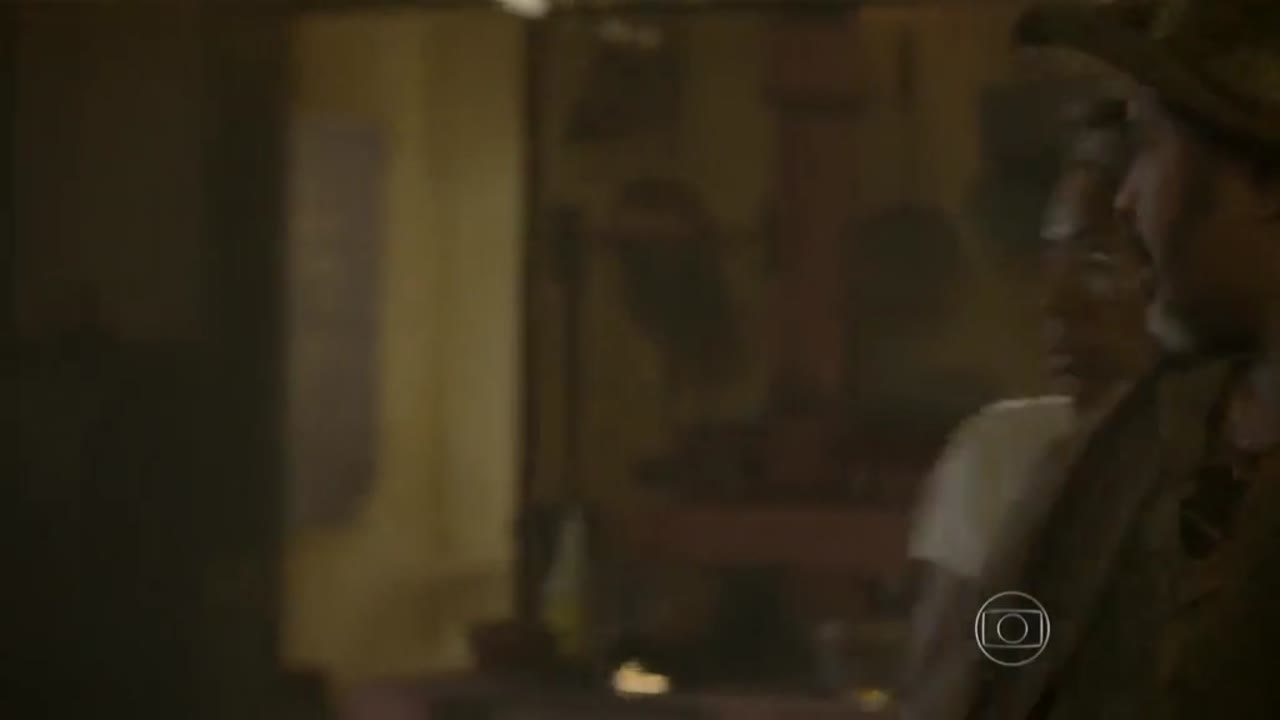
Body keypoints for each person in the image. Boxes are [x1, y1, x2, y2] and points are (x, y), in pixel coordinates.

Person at [962, 1, 1280, 718]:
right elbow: (1004, 661)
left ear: (1268, 183)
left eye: (1153, 147)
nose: (1128, 202)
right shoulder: (1133, 444)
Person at [899, 98, 1155, 719]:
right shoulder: (1012, 455)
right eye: (1051, 262)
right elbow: (957, 694)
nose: (1056, 303)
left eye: (1098, 259)